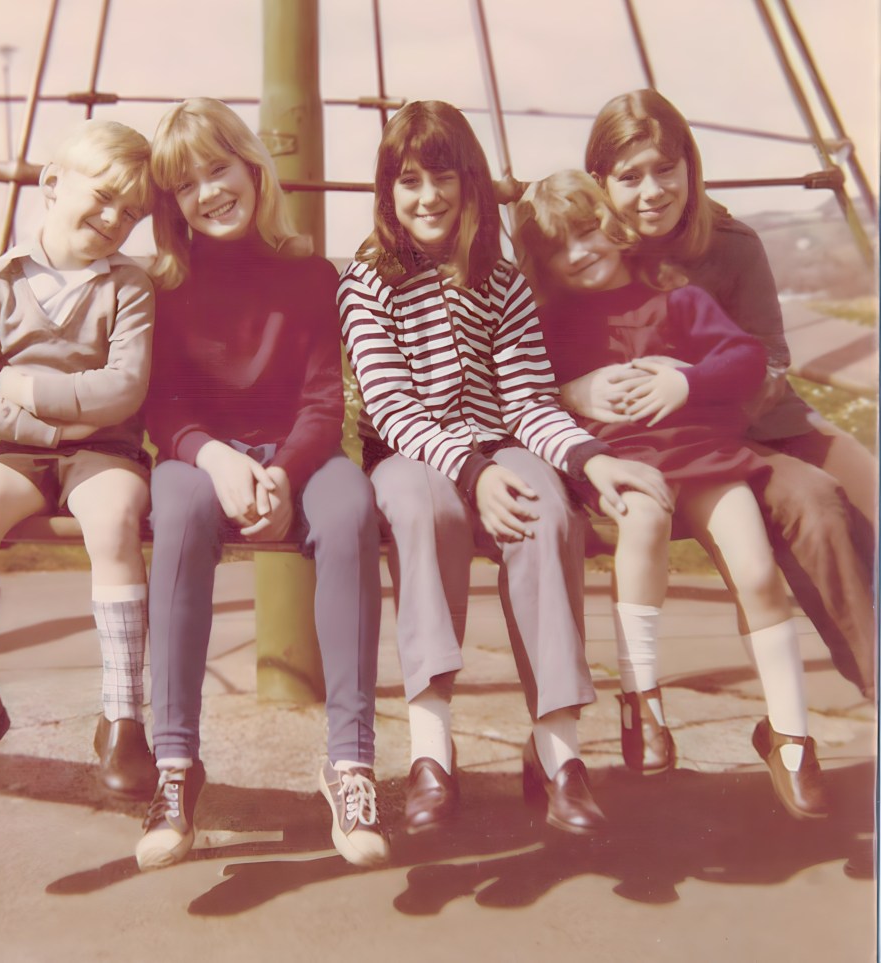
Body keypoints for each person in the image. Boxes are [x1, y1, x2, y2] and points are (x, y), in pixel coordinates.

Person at [338, 100, 673, 838]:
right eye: (409, 181)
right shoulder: (369, 281)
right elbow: (391, 407)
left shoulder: (501, 279)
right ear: (388, 192)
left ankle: (559, 752)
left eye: (444, 177)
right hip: (410, 452)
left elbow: (526, 401)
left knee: (548, 510)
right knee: (426, 511)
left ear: (471, 181)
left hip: (498, 438)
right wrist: (473, 474)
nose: (429, 197)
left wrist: (591, 458)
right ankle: (431, 751)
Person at [511, 169, 829, 819]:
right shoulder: (550, 323)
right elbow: (526, 396)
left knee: (756, 570)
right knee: (644, 520)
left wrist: (687, 379)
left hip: (704, 456)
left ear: (612, 225)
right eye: (558, 248)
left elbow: (745, 359)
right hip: (623, 463)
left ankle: (791, 733)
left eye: (586, 231)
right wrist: (574, 393)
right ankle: (642, 698)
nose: (579, 252)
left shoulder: (675, 297)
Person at [135, 98, 388, 872]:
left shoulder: (308, 274)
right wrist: (215, 458)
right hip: (205, 458)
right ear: (171, 204)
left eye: (219, 170)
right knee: (177, 509)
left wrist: (281, 472)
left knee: (350, 507)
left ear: (252, 168)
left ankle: (350, 763)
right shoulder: (166, 283)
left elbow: (323, 401)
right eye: (186, 184)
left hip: (297, 457)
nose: (209, 193)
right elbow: (164, 405)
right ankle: (175, 765)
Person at [576, 89, 876, 700]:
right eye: (630, 177)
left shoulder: (732, 243)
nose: (652, 191)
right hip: (684, 444)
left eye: (666, 169)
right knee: (816, 504)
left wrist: (692, 380)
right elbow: (541, 348)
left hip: (762, 415)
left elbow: (771, 357)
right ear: (600, 182)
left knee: (867, 485)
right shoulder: (590, 256)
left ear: (690, 165)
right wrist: (573, 389)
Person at [0, 119, 158, 800]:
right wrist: (55, 430)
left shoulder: (129, 286)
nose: (116, 219)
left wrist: (28, 390)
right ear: (53, 184)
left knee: (113, 520)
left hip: (108, 451)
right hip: (24, 452)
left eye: (133, 212)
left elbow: (124, 390)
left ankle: (122, 716)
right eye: (106, 197)